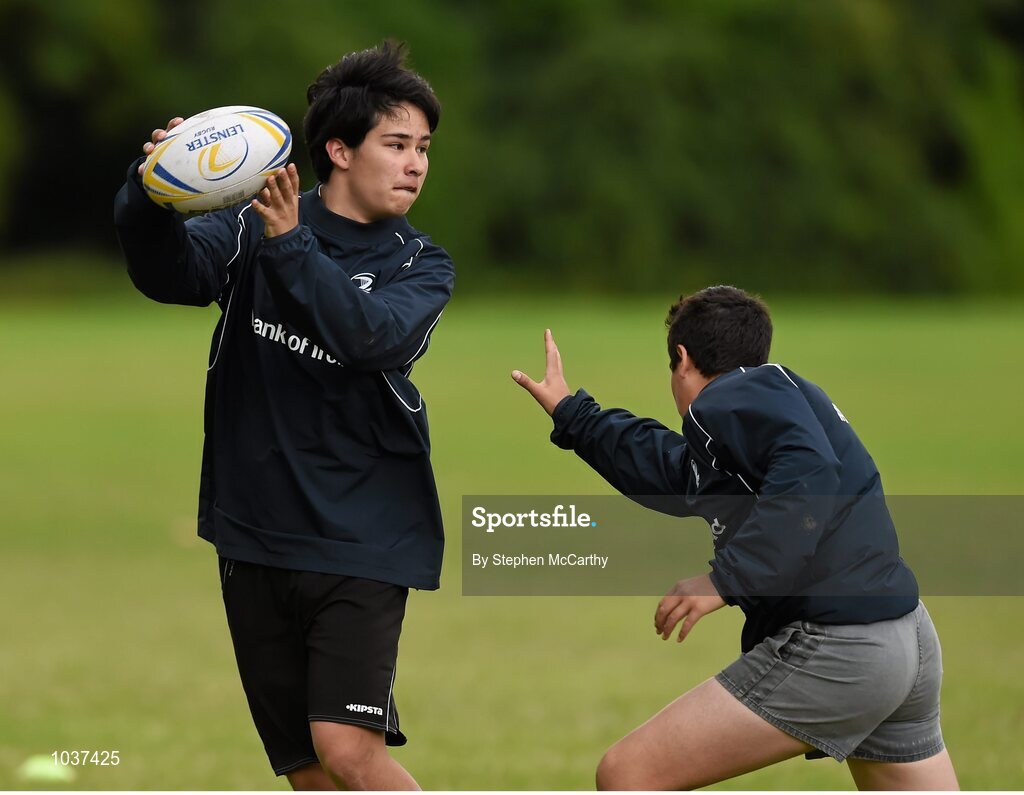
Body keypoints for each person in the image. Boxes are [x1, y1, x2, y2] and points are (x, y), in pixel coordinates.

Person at [114, 42, 452, 791]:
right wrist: (149, 191)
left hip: (361, 535)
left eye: (423, 148)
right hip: (254, 531)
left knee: (349, 748)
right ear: (339, 149)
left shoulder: (420, 264)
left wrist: (292, 246)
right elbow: (165, 271)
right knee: (304, 766)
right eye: (396, 144)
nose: (415, 163)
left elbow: (371, 336)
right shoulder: (249, 227)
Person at [511, 286, 959, 790]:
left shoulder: (727, 398)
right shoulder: (778, 398)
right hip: (906, 638)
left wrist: (725, 580)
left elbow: (811, 474)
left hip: (842, 647)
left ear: (682, 359)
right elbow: (677, 473)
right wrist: (575, 415)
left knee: (627, 773)